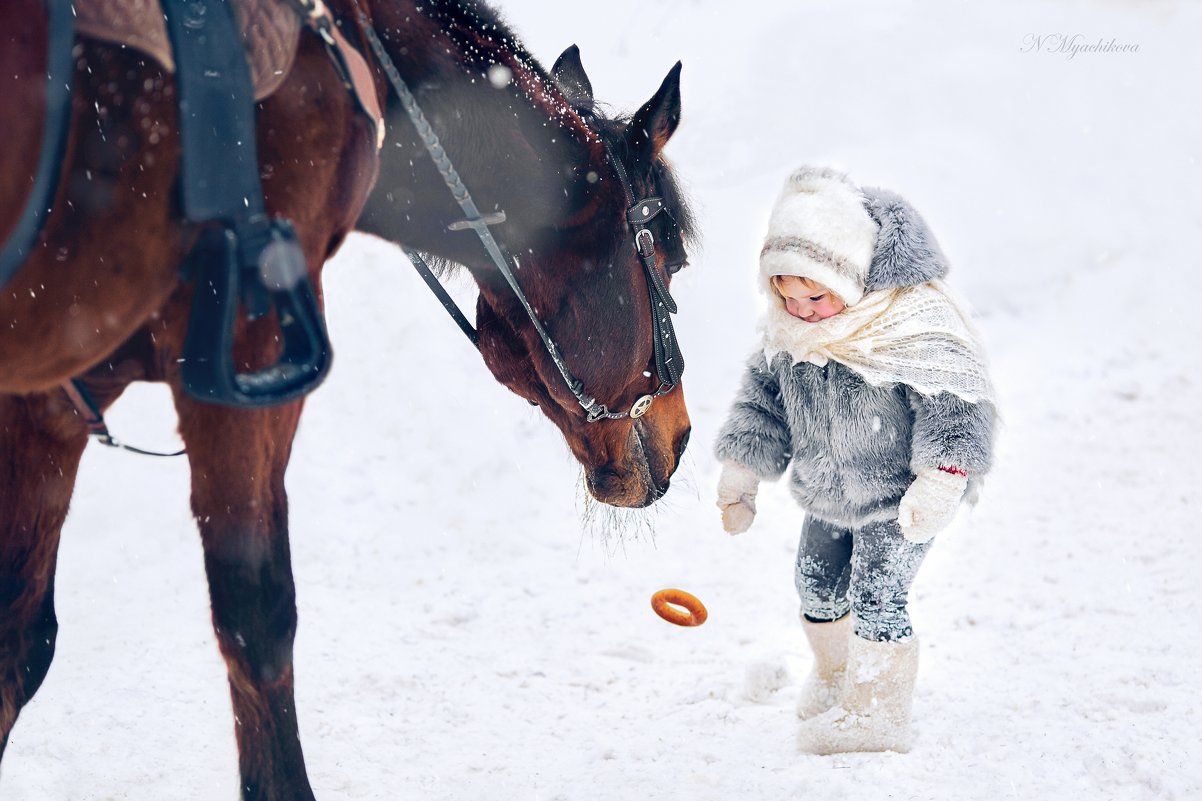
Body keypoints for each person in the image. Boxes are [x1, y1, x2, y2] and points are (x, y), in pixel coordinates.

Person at [714, 166, 997, 754]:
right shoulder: (789, 335)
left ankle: (878, 711)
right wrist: (740, 475)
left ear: (851, 274)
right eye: (787, 297)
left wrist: (941, 480)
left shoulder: (910, 327)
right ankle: (840, 676)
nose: (802, 311)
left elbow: (956, 404)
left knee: (877, 593)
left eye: (815, 295)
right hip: (828, 494)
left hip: (902, 498)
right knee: (816, 586)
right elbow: (761, 406)